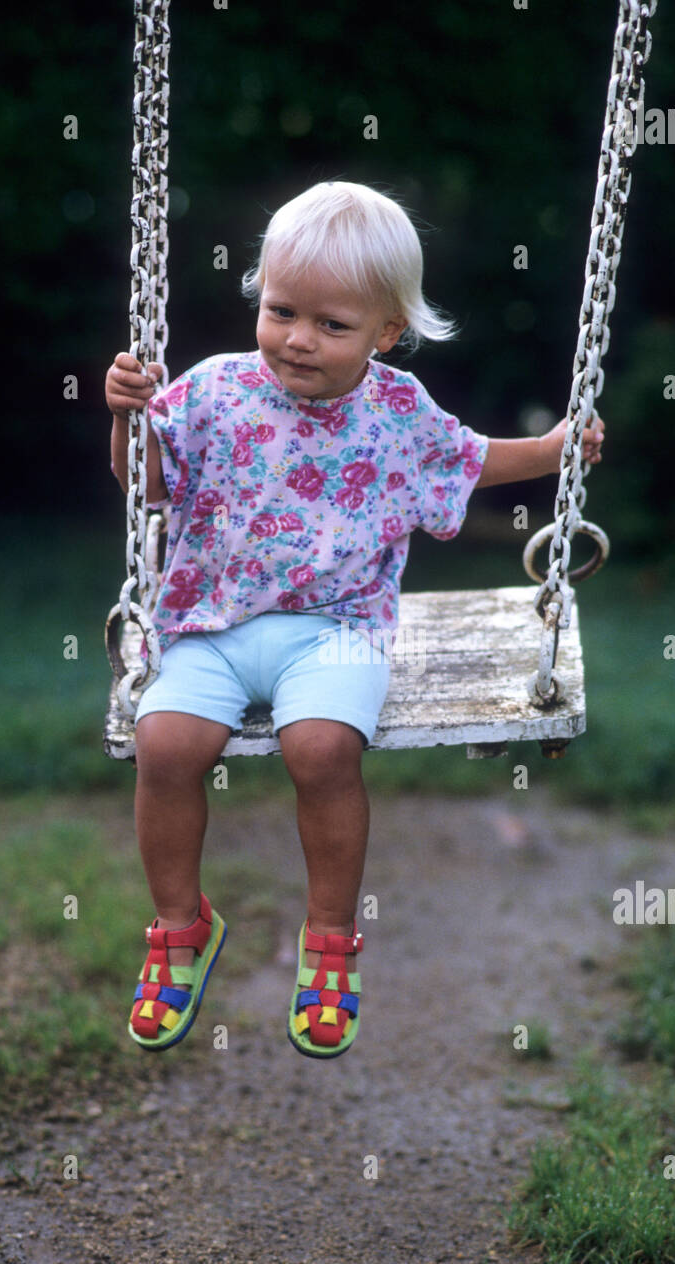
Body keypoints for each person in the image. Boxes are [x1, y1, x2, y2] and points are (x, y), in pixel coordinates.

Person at [104, 180, 604, 1060]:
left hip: (335, 628)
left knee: (322, 750)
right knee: (165, 747)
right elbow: (144, 484)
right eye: (282, 310)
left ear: (385, 333)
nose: (297, 339)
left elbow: (472, 458)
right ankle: (180, 928)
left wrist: (556, 450)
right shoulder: (215, 390)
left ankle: (329, 940)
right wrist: (124, 419)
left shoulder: (398, 412)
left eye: (330, 326)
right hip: (207, 624)